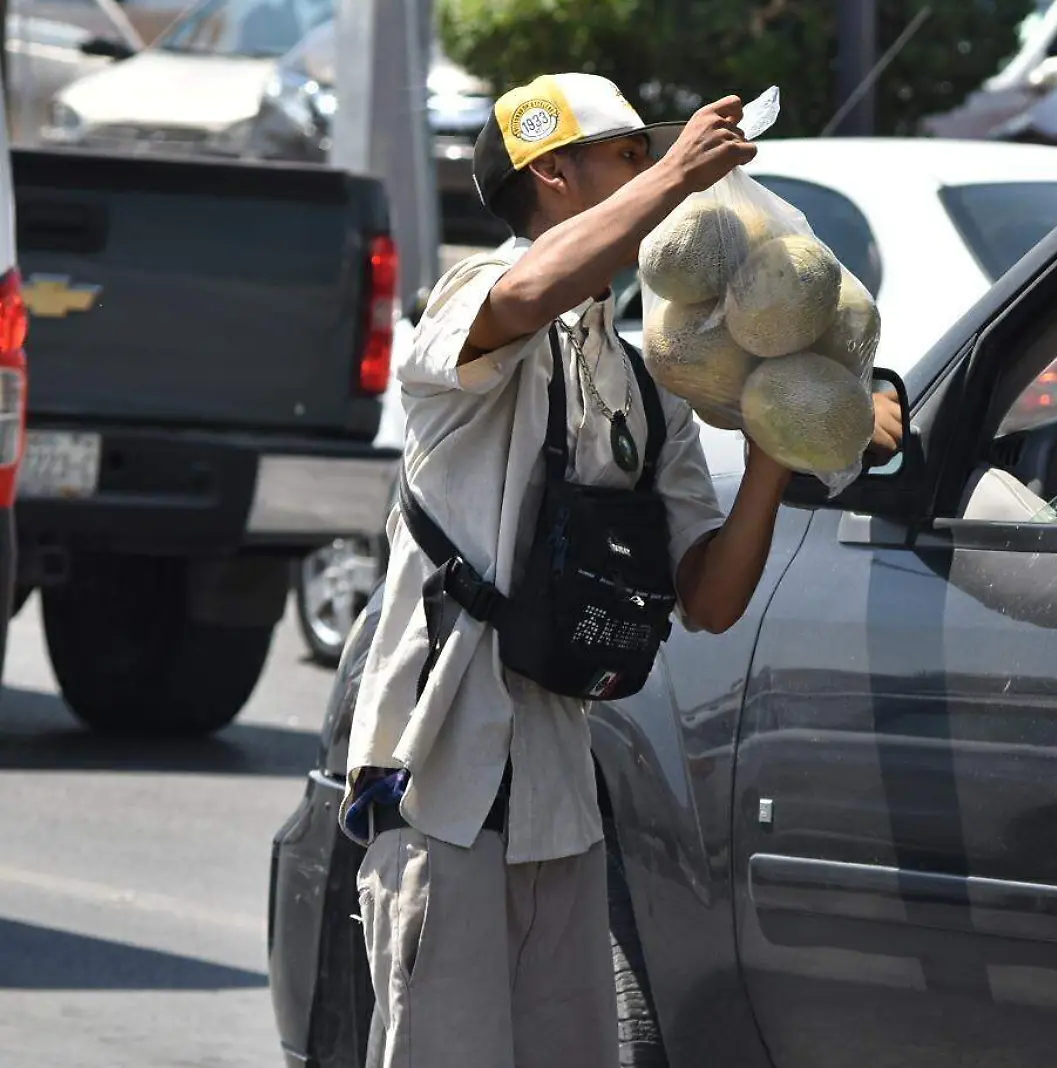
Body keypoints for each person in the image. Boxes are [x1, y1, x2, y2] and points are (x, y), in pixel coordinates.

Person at [340, 73, 901, 1068]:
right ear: (552, 171)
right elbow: (527, 294)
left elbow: (712, 599)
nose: (660, 181)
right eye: (631, 157)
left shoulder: (650, 384)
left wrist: (781, 433)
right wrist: (683, 173)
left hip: (557, 800)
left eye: (655, 158)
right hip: (439, 784)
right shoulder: (472, 296)